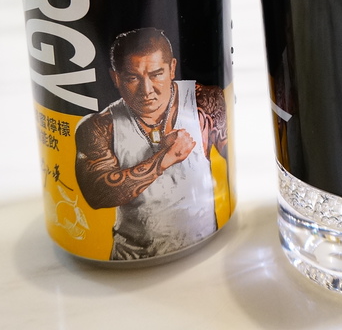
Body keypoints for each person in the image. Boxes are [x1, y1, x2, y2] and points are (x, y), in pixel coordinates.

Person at [74, 27, 227, 260]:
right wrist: (164, 159)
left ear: (172, 68)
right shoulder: (99, 126)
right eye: (133, 78)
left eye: (156, 74)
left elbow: (238, 158)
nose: (147, 90)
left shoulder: (204, 102)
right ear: (116, 78)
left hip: (205, 245)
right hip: (130, 257)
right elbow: (97, 194)